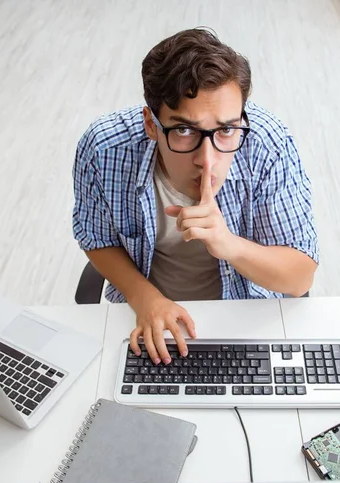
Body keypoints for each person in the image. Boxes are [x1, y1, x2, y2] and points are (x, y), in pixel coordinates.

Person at [72, 28, 318, 366]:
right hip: (147, 321)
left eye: (226, 130)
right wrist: (145, 298)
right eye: (184, 131)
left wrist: (229, 244)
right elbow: (95, 238)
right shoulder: (104, 148)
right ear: (150, 123)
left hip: (248, 320)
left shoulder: (267, 145)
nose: (208, 159)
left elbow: (300, 277)